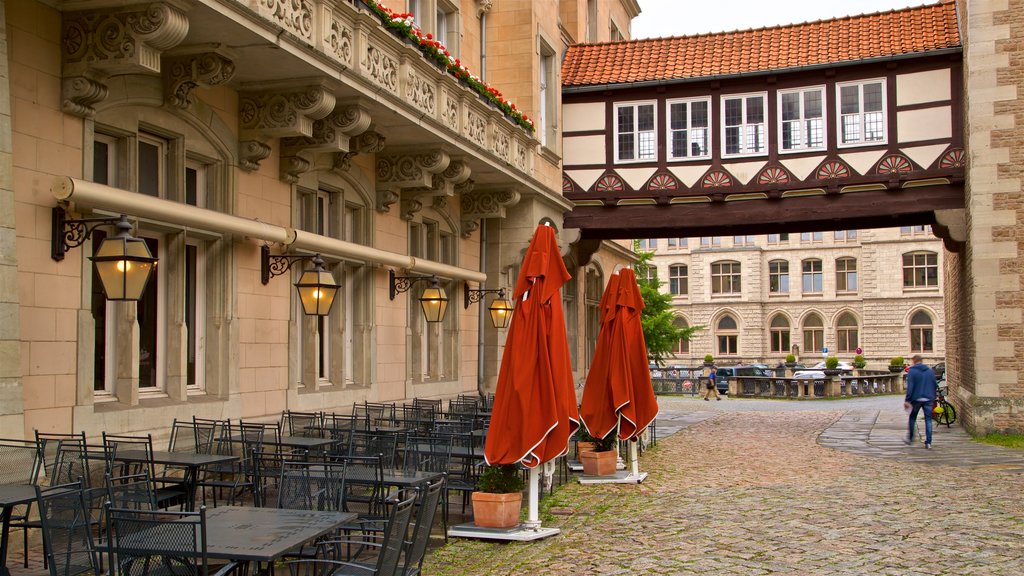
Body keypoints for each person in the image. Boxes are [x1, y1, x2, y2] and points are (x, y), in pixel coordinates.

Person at [904, 354, 938, 448]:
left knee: (912, 418)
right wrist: (933, 395)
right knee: (928, 420)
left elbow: (910, 387)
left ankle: (910, 438)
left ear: (914, 361)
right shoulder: (930, 371)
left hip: (916, 399)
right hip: (928, 398)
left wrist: (907, 400)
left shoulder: (912, 371)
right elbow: (934, 384)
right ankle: (929, 442)